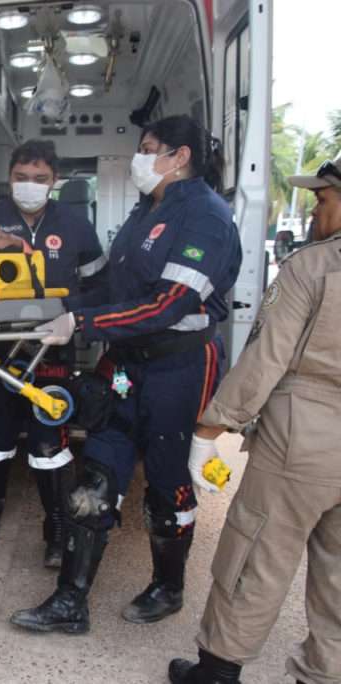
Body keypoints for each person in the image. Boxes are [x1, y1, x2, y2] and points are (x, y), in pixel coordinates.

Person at [10, 114, 242, 634]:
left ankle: (169, 585)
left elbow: (169, 304)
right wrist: (49, 308)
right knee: (96, 474)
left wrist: (81, 323)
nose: (141, 158)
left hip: (178, 366)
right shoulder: (145, 212)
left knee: (166, 482)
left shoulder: (207, 216)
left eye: (149, 148)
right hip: (125, 366)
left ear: (179, 157)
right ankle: (70, 601)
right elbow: (114, 291)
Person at [168, 155, 341, 684]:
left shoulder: (316, 266)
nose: (315, 210)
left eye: (324, 198)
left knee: (258, 555)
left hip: (303, 439)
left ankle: (217, 673)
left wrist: (211, 427)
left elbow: (268, 358)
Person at [0, 140, 107, 568]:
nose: (30, 186)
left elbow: (99, 286)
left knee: (50, 440)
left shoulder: (76, 226)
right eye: (22, 178)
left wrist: (74, 319)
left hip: (53, 349)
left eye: (40, 179)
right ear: (9, 178)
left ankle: (57, 525)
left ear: (55, 182)